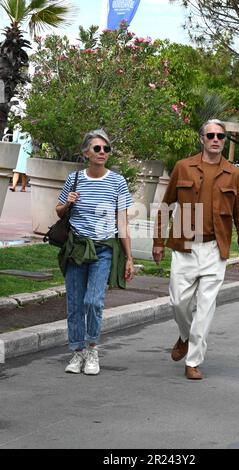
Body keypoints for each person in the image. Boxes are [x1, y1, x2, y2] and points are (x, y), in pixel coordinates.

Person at [152, 119, 239, 380]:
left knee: (206, 309)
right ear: (202, 139)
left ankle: (193, 361)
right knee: (178, 301)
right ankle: (185, 336)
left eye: (220, 135)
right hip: (184, 247)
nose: (216, 139)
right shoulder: (183, 167)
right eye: (211, 135)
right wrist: (158, 242)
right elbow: (166, 206)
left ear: (224, 139)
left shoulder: (234, 173)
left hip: (214, 249)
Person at [56, 129, 134, 375]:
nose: (102, 153)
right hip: (76, 248)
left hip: (103, 250)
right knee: (74, 302)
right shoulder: (75, 179)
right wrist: (68, 201)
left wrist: (129, 257)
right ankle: (77, 352)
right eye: (97, 149)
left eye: (106, 149)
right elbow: (58, 211)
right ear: (86, 153)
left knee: (93, 301)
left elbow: (122, 222)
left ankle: (92, 349)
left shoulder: (117, 181)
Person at [9, 127, 32, 192]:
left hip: (20, 150)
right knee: (24, 171)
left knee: (17, 170)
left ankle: (14, 186)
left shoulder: (18, 129)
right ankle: (22, 188)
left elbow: (15, 140)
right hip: (28, 150)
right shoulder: (31, 130)